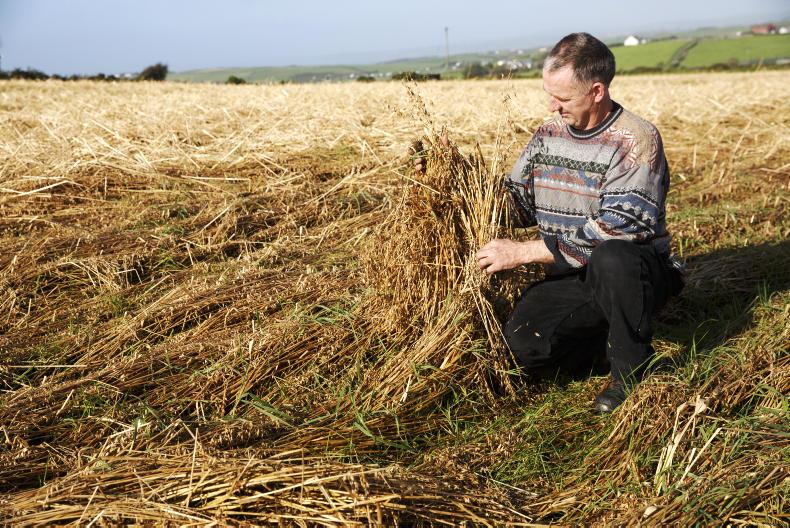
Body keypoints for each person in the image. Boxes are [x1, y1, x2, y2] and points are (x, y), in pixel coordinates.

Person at [415, 32, 682, 413]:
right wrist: (455, 182)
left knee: (612, 257)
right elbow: (517, 204)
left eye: (562, 97)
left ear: (596, 91)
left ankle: (631, 372)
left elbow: (619, 227)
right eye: (548, 94)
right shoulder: (548, 135)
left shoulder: (637, 140)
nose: (552, 106)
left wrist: (521, 253)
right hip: (570, 273)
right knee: (522, 348)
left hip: (635, 272)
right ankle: (609, 344)